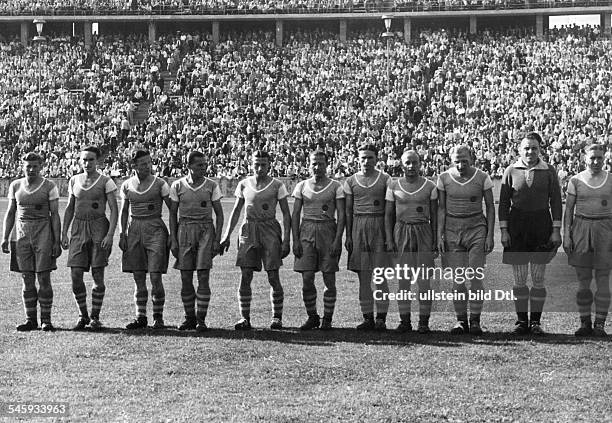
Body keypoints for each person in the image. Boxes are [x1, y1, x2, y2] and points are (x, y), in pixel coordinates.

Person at [499, 132, 562, 335]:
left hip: (541, 224)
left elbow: (555, 203)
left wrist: (555, 231)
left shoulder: (549, 171)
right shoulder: (511, 170)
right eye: (526, 148)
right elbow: (503, 204)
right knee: (519, 278)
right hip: (517, 225)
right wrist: (504, 231)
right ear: (520, 150)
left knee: (537, 277)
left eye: (534, 148)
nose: (530, 152)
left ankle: (535, 322)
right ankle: (521, 322)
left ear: (540, 150)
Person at [220, 151, 291, 330]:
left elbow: (286, 214)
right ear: (251, 164)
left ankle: (277, 317)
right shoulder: (244, 184)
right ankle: (245, 318)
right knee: (245, 275)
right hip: (248, 230)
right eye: (256, 164)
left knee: (273, 275)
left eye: (263, 164)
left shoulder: (277, 185)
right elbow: (236, 211)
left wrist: (287, 239)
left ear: (269, 165)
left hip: (269, 229)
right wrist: (226, 235)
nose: (260, 168)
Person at [437, 145, 495, 335]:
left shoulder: (482, 177)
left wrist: (489, 235)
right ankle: (461, 321)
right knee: (458, 279)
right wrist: (439, 235)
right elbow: (441, 209)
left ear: (472, 159)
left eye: (465, 161)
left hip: (476, 228)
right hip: (452, 230)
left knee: (476, 277)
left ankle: (476, 321)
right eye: (457, 161)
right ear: (451, 160)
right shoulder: (444, 178)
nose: (461, 165)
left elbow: (490, 207)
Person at [1, 152, 61, 331]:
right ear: (22, 166)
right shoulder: (15, 185)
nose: (31, 169)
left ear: (41, 166)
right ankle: (30, 319)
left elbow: (55, 215)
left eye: (35, 166)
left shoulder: (49, 186)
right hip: (22, 235)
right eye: (28, 166)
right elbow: (11, 212)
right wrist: (5, 237)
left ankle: (46, 320)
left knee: (43, 277)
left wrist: (56, 241)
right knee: (27, 278)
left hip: (43, 233)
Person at [61, 146, 119, 331]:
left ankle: (95, 317)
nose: (87, 163)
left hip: (98, 227)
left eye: (91, 160)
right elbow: (70, 207)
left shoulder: (106, 181)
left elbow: (114, 209)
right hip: (79, 228)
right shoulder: (74, 180)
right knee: (75, 274)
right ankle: (82, 314)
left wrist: (110, 234)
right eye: (84, 160)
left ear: (98, 161)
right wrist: (64, 232)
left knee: (97, 274)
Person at [169, 151, 224, 332]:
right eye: (199, 165)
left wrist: (217, 239)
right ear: (189, 166)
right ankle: (189, 317)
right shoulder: (177, 186)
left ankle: (201, 318)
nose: (203, 167)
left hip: (205, 230)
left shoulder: (211, 186)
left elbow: (220, 214)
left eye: (204, 164)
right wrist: (174, 239)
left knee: (203, 275)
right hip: (184, 230)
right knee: (185, 276)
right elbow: (172, 214)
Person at [385, 150, 438, 334]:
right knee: (403, 281)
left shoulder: (430, 186)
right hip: (402, 232)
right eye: (407, 162)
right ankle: (405, 321)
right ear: (401, 165)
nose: (411, 166)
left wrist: (435, 239)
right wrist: (390, 239)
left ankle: (424, 322)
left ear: (420, 164)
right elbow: (388, 214)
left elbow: (435, 215)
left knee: (424, 281)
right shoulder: (393, 185)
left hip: (423, 231)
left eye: (414, 162)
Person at [292, 150, 345, 330]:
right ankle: (312, 316)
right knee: (307, 278)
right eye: (314, 163)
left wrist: (338, 239)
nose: (317, 167)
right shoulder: (301, 186)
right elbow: (295, 214)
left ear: (327, 165)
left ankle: (327, 319)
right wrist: (295, 240)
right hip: (306, 230)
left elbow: (342, 215)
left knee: (329, 278)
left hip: (328, 230)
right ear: (309, 164)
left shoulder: (336, 186)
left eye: (321, 163)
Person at [119, 149, 172, 330]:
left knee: (156, 275)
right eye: (143, 164)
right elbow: (124, 211)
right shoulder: (127, 185)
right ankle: (140, 317)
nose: (148, 166)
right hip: (134, 229)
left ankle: (158, 317)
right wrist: (122, 233)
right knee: (138, 276)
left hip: (155, 228)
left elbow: (173, 209)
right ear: (134, 166)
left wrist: (173, 234)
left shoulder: (160, 184)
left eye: (149, 162)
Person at [563, 144, 611, 337]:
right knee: (583, 280)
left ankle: (600, 324)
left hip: (605, 230)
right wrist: (567, 235)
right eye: (592, 158)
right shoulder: (575, 180)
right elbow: (569, 211)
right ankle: (585, 323)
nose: (596, 161)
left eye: (599, 158)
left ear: (604, 158)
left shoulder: (610, 179)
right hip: (582, 228)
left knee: (603, 279)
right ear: (585, 159)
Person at [344, 144, 392, 330]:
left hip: (379, 227)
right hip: (359, 228)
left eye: (370, 157)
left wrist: (389, 236)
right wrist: (349, 235)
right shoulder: (350, 181)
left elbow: (391, 211)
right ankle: (367, 318)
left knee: (380, 277)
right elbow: (347, 211)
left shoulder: (385, 179)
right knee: (364, 278)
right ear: (358, 159)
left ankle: (381, 318)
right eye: (363, 158)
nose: (366, 161)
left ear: (377, 159)